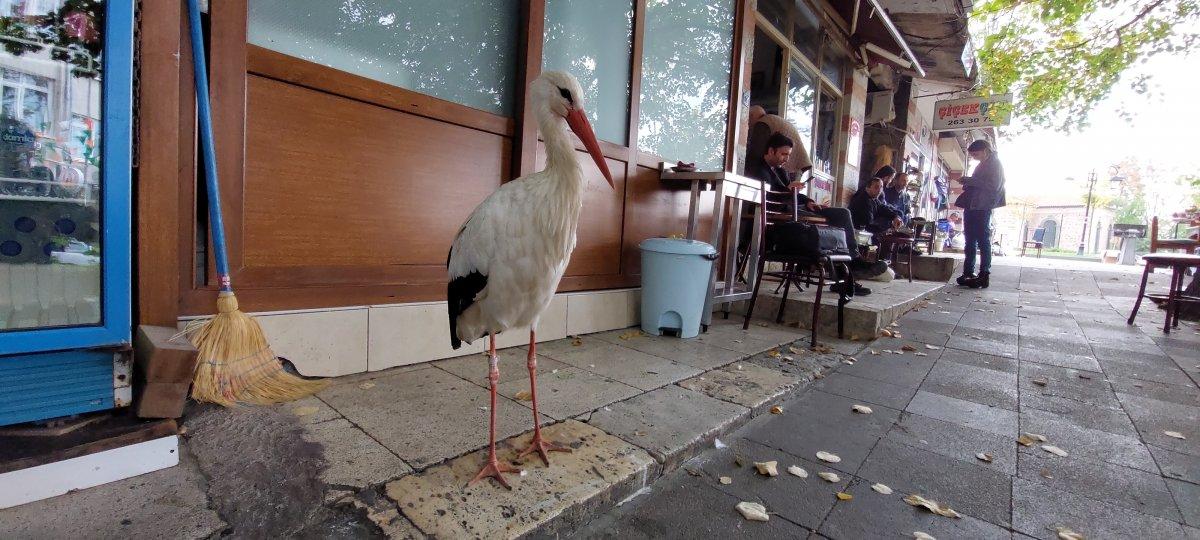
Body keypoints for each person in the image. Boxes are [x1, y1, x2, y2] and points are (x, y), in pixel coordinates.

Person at [747, 133, 885, 295]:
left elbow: (793, 195)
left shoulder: (781, 172)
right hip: (777, 218)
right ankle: (847, 273)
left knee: (841, 214)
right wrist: (789, 191)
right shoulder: (757, 169)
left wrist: (808, 202)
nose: (786, 158)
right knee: (823, 231)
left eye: (788, 155)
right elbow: (768, 196)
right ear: (771, 151)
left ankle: (852, 261)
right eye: (783, 154)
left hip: (794, 210)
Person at [956, 140, 1006, 288]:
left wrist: (970, 181)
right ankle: (968, 272)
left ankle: (984, 274)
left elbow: (993, 185)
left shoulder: (995, 164)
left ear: (985, 150)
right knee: (970, 239)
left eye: (976, 154)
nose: (974, 157)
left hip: (982, 206)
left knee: (983, 240)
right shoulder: (984, 163)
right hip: (973, 205)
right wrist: (969, 182)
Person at [745, 105, 811, 182]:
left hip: (789, 167)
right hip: (798, 165)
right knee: (789, 191)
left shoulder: (762, 122)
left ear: (751, 116)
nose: (748, 124)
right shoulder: (773, 119)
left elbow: (756, 152)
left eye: (748, 119)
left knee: (781, 191)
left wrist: (745, 169)